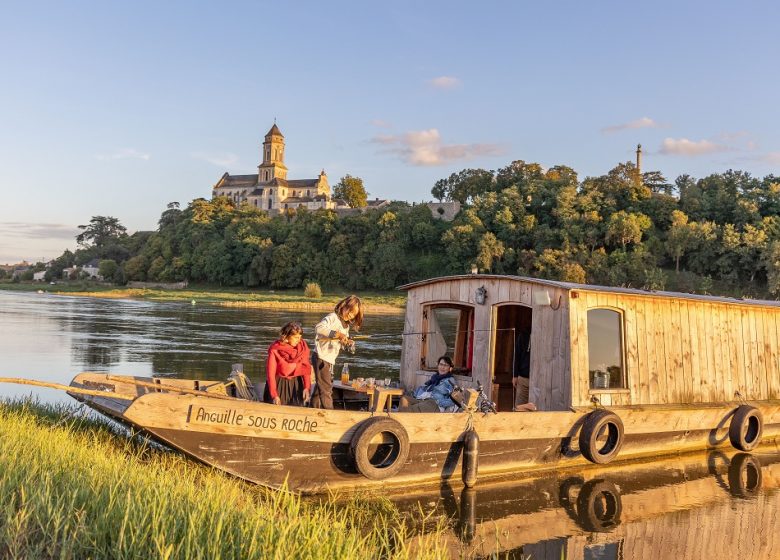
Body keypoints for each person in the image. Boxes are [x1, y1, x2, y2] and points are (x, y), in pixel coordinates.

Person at [310, 295, 364, 409]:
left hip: (330, 360)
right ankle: (330, 413)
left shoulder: (346, 327)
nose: (351, 315)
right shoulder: (333, 317)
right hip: (321, 357)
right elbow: (318, 328)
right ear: (344, 306)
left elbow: (342, 345)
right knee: (326, 389)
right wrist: (338, 334)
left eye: (354, 314)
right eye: (350, 311)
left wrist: (347, 343)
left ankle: (312, 410)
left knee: (319, 389)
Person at [263, 321, 312, 406]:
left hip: (296, 384)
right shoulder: (275, 349)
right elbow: (271, 374)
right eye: (296, 337)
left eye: (300, 337)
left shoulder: (302, 348)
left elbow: (305, 370)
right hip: (279, 384)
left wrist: (307, 388)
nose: (299, 340)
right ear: (286, 336)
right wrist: (274, 395)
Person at [512, 330, 537, 412]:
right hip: (523, 378)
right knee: (520, 408)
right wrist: (515, 375)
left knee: (537, 409)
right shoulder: (523, 335)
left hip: (540, 380)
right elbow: (516, 355)